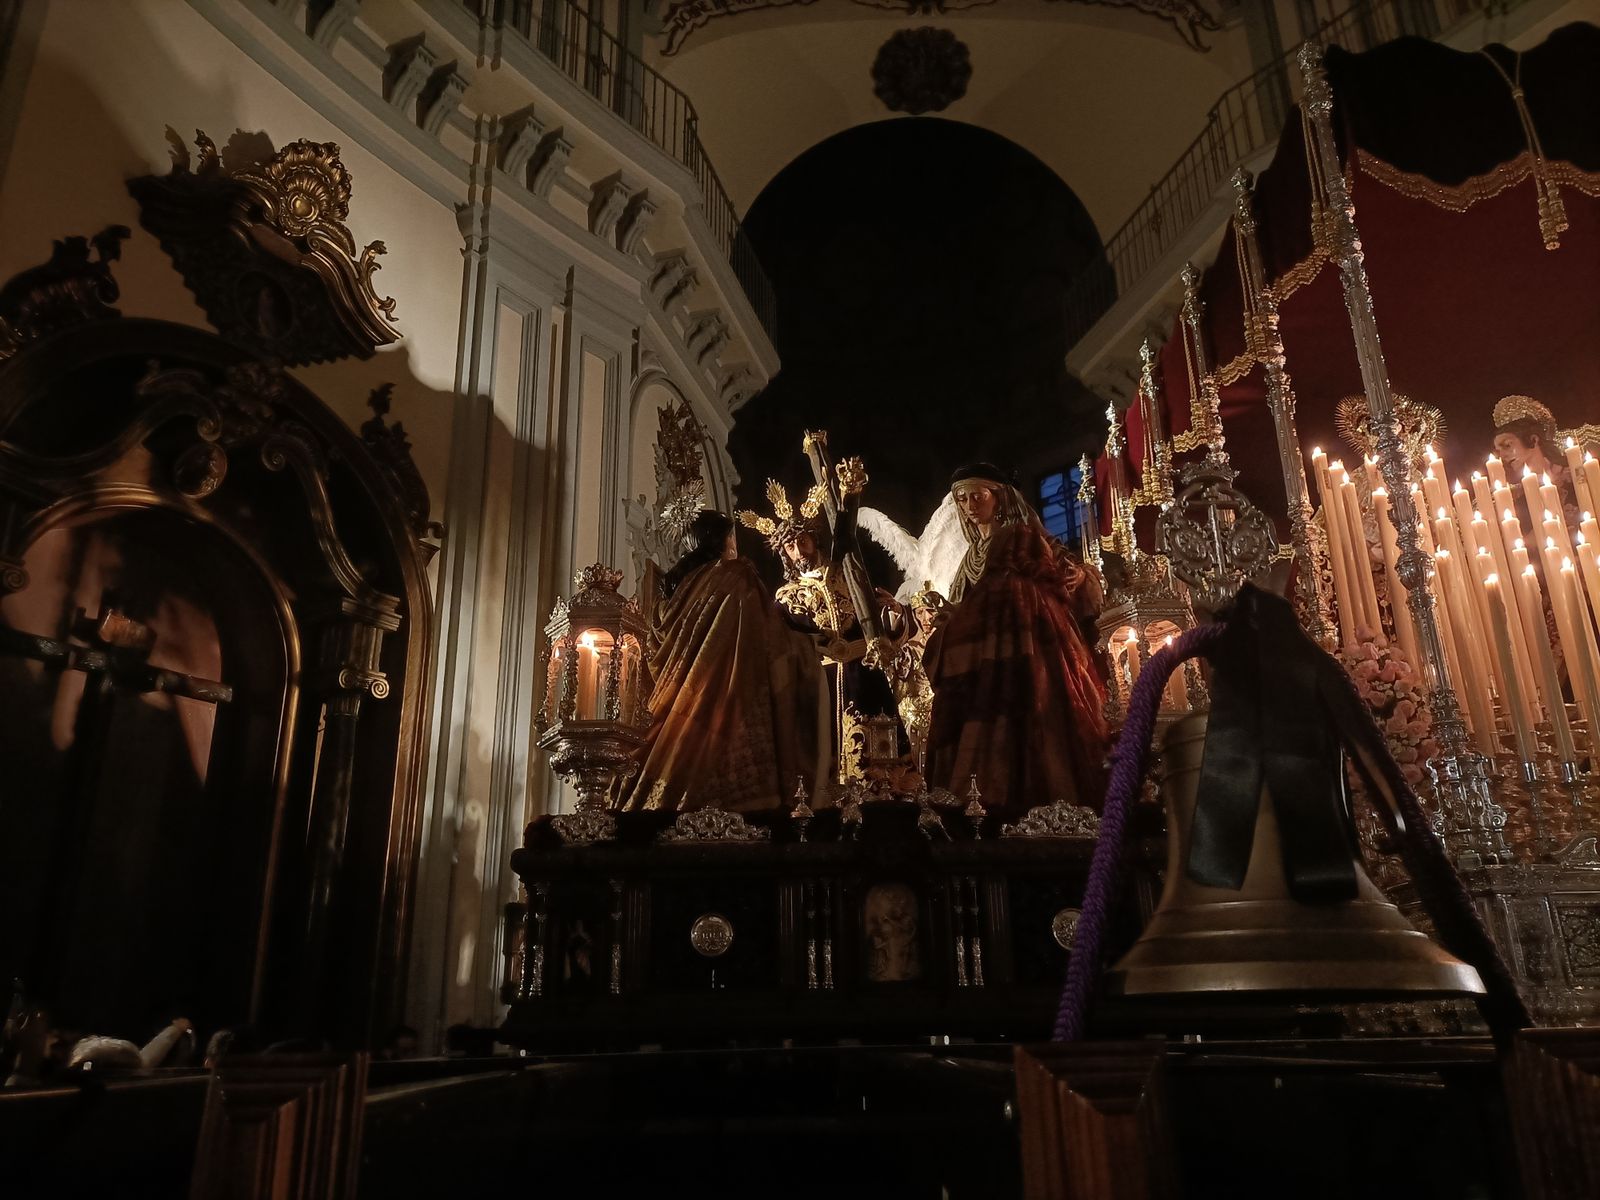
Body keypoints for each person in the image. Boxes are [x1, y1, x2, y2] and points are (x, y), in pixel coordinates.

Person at [922, 464, 1109, 814]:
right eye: (961, 499)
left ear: (1000, 496)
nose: (969, 505)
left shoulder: (1023, 537)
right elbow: (971, 607)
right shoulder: (969, 559)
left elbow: (1069, 573)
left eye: (977, 496)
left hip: (1029, 644)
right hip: (984, 661)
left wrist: (1080, 574)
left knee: (1035, 719)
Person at [615, 510, 828, 812]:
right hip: (727, 690)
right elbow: (766, 636)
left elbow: (659, 647)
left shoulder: (678, 590)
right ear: (725, 539)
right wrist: (807, 641)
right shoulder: (735, 576)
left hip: (678, 703)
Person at [738, 479, 903, 780]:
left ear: (814, 540)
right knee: (823, 757)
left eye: (803, 541)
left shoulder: (848, 576)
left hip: (864, 675)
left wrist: (892, 615)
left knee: (879, 758)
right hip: (819, 682)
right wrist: (815, 648)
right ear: (783, 553)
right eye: (790, 546)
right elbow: (780, 642)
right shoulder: (785, 597)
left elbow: (880, 623)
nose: (799, 551)